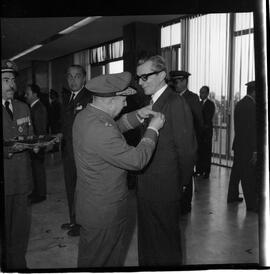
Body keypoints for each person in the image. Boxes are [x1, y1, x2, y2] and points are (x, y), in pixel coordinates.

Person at [73, 72, 165, 267]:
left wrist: (138, 115)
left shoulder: (86, 116)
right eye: (123, 100)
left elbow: (114, 127)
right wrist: (153, 130)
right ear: (109, 100)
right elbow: (137, 160)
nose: (125, 104)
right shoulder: (99, 129)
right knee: (98, 263)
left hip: (93, 206)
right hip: (104, 214)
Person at [136, 55, 197, 266]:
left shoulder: (174, 103)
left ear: (162, 75)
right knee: (148, 242)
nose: (140, 82)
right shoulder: (151, 102)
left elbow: (187, 151)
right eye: (139, 78)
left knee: (166, 246)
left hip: (165, 188)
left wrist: (180, 184)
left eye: (145, 77)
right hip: (147, 186)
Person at [2, 59, 34, 270]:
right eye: (5, 80)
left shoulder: (23, 106)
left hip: (22, 179)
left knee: (21, 228)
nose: (11, 84)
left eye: (12, 80)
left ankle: (18, 265)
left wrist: (38, 145)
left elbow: (29, 136)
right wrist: (9, 150)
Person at [60, 64, 92, 237]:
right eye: (70, 77)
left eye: (77, 76)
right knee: (70, 187)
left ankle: (82, 224)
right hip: (67, 152)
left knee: (81, 190)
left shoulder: (89, 98)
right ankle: (73, 220)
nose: (73, 80)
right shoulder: (67, 98)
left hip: (81, 154)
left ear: (84, 78)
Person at [169, 70, 203, 215]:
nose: (175, 84)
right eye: (174, 82)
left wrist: (195, 146)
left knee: (187, 174)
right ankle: (176, 203)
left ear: (184, 81)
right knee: (175, 175)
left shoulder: (192, 98)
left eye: (177, 81)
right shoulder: (171, 97)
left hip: (187, 143)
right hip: (173, 144)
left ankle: (186, 205)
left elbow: (198, 123)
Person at [227, 81, 258, 212]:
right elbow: (253, 130)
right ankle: (251, 205)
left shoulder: (240, 103)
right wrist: (255, 150)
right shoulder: (252, 106)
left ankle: (232, 196)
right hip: (247, 147)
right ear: (255, 92)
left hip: (239, 145)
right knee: (248, 176)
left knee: (236, 173)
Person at [25, 83, 48, 204]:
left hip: (37, 145)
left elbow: (40, 129)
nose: (25, 95)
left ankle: (41, 194)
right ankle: (36, 191)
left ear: (34, 94)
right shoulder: (34, 107)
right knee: (35, 169)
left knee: (38, 169)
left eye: (27, 93)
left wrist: (37, 145)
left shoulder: (39, 108)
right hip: (34, 145)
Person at [196, 85, 216, 179]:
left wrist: (201, 126)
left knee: (206, 153)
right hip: (199, 133)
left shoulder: (210, 104)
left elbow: (207, 118)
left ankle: (206, 172)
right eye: (200, 92)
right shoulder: (198, 103)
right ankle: (199, 170)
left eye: (203, 92)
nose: (201, 94)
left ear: (207, 93)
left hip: (206, 133)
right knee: (199, 152)